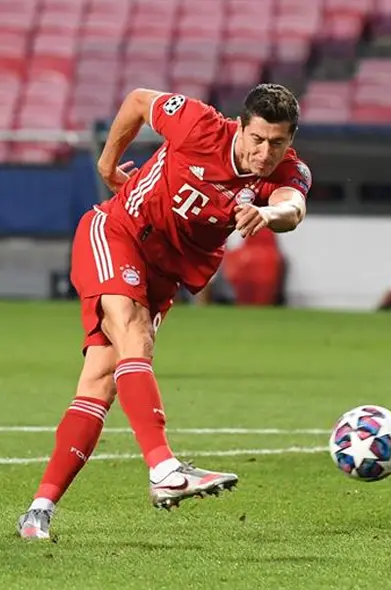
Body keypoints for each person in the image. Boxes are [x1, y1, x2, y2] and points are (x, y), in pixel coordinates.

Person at [16, 84, 311, 540]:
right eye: (257, 138)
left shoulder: (286, 171)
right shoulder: (199, 124)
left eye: (278, 142)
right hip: (117, 233)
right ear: (241, 127)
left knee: (100, 381)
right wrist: (107, 162)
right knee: (135, 337)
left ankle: (38, 511)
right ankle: (164, 469)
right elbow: (136, 100)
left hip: (161, 276)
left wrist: (268, 216)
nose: (265, 151)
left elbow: (293, 207)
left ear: (290, 140)